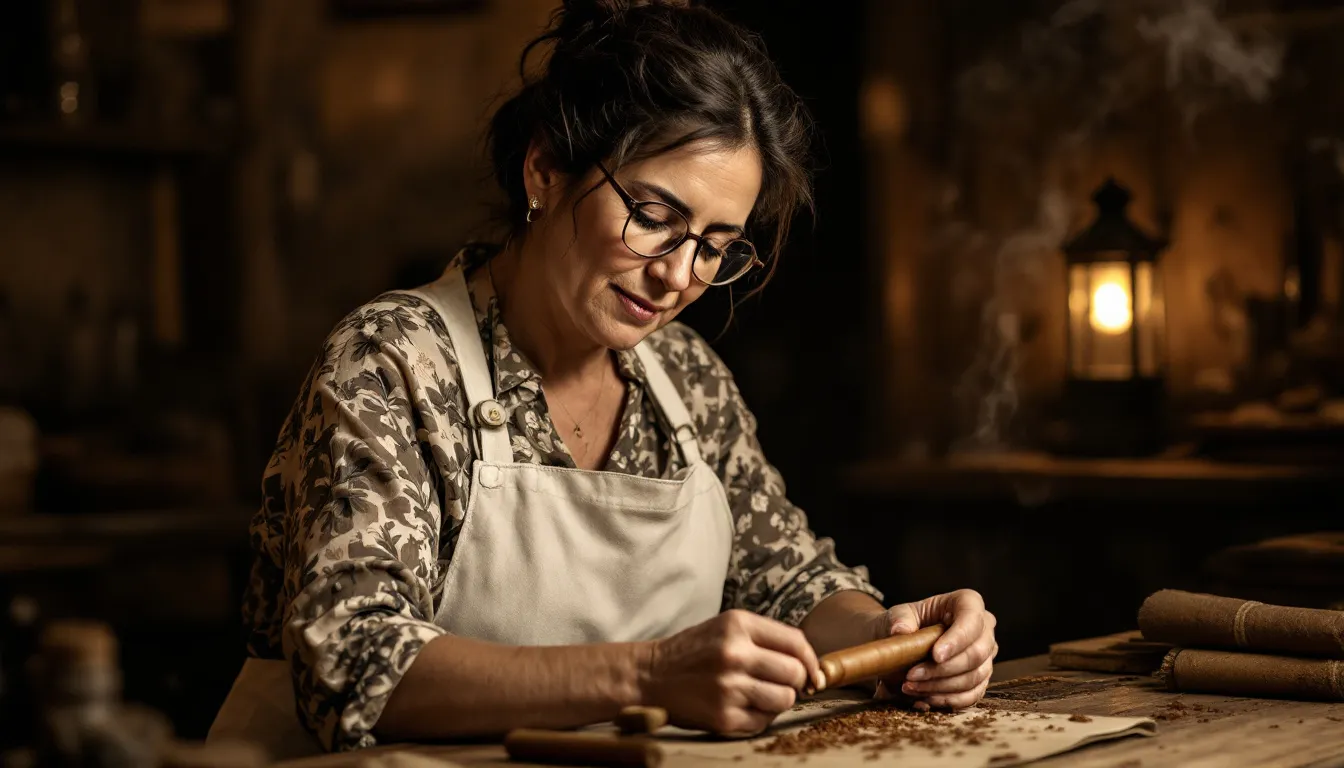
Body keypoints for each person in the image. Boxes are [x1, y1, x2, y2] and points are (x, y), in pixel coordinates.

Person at [209, 0, 997, 756]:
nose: (679, 276)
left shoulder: (685, 379)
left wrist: (894, 639)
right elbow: (351, 660)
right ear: (546, 170)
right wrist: (650, 675)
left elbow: (785, 578)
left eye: (716, 245)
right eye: (653, 217)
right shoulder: (395, 361)